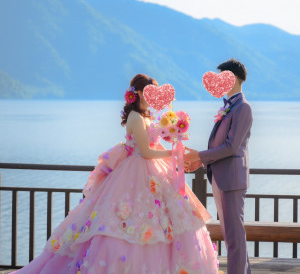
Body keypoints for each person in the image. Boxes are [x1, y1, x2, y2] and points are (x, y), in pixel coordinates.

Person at [12, 74, 219, 274]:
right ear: (138, 92)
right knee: (128, 221)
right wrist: (174, 153)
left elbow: (153, 148)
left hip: (150, 170)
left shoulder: (146, 116)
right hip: (136, 172)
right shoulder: (135, 117)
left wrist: (178, 158)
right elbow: (146, 152)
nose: (152, 97)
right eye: (148, 92)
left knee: (164, 220)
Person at [184, 58, 253, 274]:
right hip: (221, 177)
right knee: (230, 232)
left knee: (233, 235)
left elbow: (231, 147)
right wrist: (199, 160)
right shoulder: (229, 107)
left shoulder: (243, 108)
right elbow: (220, 145)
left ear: (230, 78)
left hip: (231, 180)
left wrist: (200, 156)